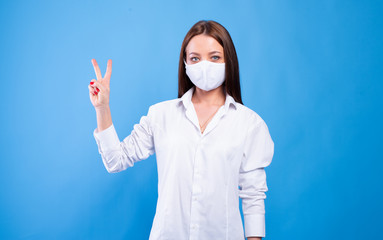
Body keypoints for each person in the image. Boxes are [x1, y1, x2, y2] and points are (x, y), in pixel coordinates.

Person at [88, 20, 274, 240]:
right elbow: (115, 161)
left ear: (228, 61)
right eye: (195, 58)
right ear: (185, 63)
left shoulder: (250, 124)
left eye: (214, 57)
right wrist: (102, 107)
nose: (204, 65)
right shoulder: (160, 115)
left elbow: (253, 195)